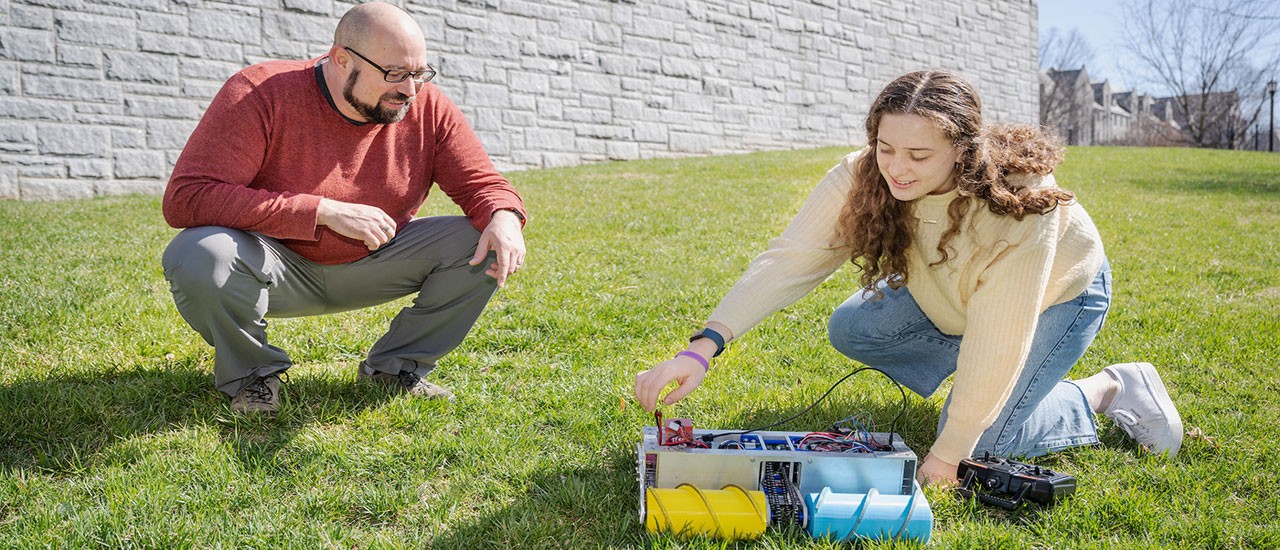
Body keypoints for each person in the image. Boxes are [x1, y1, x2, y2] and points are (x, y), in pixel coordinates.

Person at [633, 70, 1182, 485]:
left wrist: (949, 451)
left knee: (979, 438)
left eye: (920, 154)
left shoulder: (1018, 203)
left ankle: (1106, 390)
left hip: (1056, 297)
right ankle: (994, 389)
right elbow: (791, 258)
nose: (897, 167)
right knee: (855, 326)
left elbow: (1000, 331)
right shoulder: (865, 173)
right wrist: (703, 348)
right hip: (949, 292)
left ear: (963, 151)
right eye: (886, 147)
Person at [162, 2, 527, 415]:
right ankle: (252, 376)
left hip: (377, 262)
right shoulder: (262, 92)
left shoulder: (426, 107)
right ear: (341, 60)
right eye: (394, 74)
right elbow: (187, 197)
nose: (409, 90)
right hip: (273, 264)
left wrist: (504, 216)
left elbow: (483, 184)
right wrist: (320, 211)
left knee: (481, 239)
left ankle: (395, 369)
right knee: (198, 253)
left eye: (419, 73)